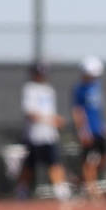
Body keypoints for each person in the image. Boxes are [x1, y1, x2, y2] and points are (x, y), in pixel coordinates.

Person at [18, 63, 70, 200]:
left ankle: (61, 191)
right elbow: (30, 113)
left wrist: (56, 120)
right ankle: (22, 190)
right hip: (34, 135)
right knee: (29, 165)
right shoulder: (29, 89)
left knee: (55, 162)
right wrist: (50, 120)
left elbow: (50, 112)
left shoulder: (49, 90)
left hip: (50, 135)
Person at [71, 56, 106, 199]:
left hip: (99, 129)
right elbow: (77, 111)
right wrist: (82, 130)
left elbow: (98, 109)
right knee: (90, 161)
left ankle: (82, 180)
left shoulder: (97, 86)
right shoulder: (79, 89)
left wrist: (103, 125)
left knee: (104, 158)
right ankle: (92, 189)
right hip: (88, 131)